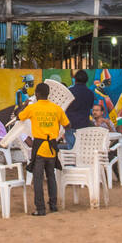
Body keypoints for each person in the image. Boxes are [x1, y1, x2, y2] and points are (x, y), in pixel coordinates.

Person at [18, 82, 69, 216]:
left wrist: (24, 105)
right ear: (48, 94)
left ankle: (40, 209)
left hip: (39, 148)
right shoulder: (56, 108)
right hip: (52, 148)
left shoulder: (32, 108)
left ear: (36, 94)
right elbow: (67, 125)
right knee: (51, 176)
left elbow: (19, 116)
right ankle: (53, 205)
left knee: (38, 179)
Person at [62, 69, 95, 150]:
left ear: (75, 80)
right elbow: (90, 107)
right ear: (86, 80)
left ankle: (71, 163)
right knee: (82, 150)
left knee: (72, 150)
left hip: (70, 126)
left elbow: (64, 107)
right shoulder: (90, 93)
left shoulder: (69, 91)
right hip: (84, 126)